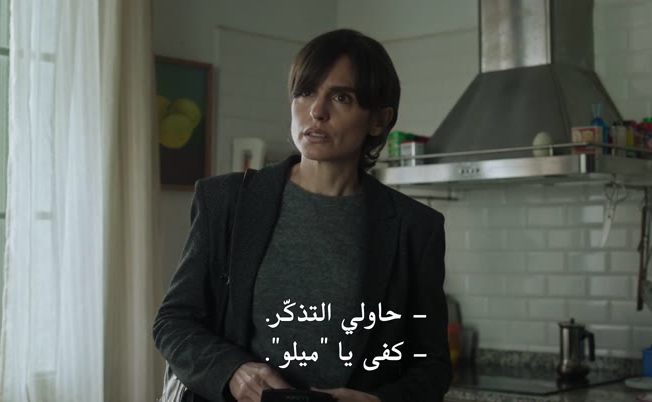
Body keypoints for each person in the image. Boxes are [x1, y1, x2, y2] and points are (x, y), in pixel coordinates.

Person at [153, 28, 452, 402]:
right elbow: (173, 322)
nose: (317, 111)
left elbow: (432, 366)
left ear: (378, 120)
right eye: (305, 92)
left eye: (341, 97)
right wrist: (232, 371)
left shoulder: (415, 228)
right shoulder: (227, 201)